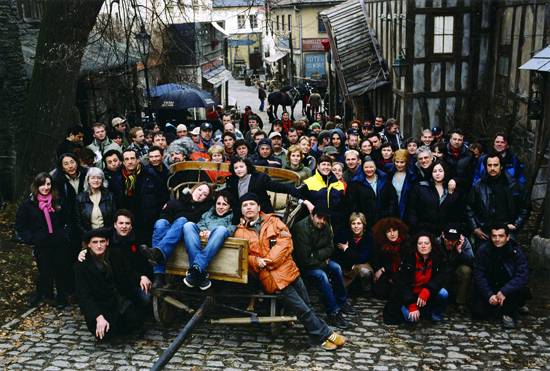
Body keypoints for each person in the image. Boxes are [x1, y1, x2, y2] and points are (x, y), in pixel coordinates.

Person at [234, 193, 345, 350]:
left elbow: (285, 243)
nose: (248, 207)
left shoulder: (274, 222)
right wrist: (256, 261)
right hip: (274, 279)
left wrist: (268, 261)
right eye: (245, 205)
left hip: (290, 270)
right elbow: (245, 257)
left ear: (259, 207)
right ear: (241, 210)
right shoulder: (240, 233)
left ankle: (317, 339)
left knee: (307, 306)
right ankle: (326, 333)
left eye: (252, 204)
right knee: (302, 309)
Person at [74, 228, 151, 339]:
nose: (99, 245)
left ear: (107, 242)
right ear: (89, 244)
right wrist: (98, 317)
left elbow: (129, 272)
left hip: (119, 299)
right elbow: (84, 296)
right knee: (103, 334)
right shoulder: (81, 266)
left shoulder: (116, 254)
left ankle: (117, 327)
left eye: (102, 242)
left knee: (137, 319)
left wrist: (141, 277)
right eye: (95, 242)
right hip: (101, 304)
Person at [291, 205, 357, 329]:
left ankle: (341, 301)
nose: (322, 221)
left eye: (325, 219)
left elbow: (330, 247)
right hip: (303, 265)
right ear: (312, 216)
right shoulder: (302, 229)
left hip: (317, 260)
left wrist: (316, 255)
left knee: (336, 267)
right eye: (319, 218)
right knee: (321, 276)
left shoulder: (324, 226)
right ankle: (333, 312)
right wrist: (321, 262)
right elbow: (304, 260)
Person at [139, 183, 215, 288]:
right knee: (161, 224)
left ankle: (158, 260)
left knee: (183, 220)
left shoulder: (205, 208)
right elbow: (165, 217)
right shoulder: (176, 202)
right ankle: (159, 274)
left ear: (206, 198)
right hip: (172, 234)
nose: (200, 194)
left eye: (204, 194)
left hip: (187, 236)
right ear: (193, 189)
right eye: (199, 189)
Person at [16, 172, 71, 309]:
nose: (45, 187)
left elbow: (69, 219)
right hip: (41, 243)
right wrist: (32, 238)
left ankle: (61, 297)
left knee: (60, 270)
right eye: (42, 185)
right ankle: (42, 293)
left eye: (48, 184)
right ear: (36, 186)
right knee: (45, 271)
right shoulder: (29, 204)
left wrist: (64, 234)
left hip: (58, 241)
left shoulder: (58, 200)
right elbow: (21, 225)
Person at [472, 224, 532, 328]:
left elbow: (522, 276)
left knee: (519, 293)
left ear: (508, 237)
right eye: (494, 236)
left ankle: (510, 312)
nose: (497, 239)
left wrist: (504, 291)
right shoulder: (482, 251)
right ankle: (495, 305)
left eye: (501, 236)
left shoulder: (516, 252)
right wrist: (489, 295)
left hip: (508, 288)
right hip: (490, 286)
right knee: (478, 313)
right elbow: (478, 275)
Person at [383, 232, 448, 326]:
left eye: (426, 243)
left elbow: (441, 277)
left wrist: (428, 289)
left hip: (426, 294)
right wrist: (411, 304)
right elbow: (401, 285)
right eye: (420, 243)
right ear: (416, 246)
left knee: (443, 293)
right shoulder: (408, 259)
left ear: (432, 245)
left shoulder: (437, 259)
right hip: (410, 295)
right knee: (411, 319)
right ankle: (414, 310)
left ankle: (435, 314)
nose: (423, 246)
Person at [466, 153, 531, 246]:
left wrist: (517, 224)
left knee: (509, 256)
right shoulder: (478, 186)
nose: (492, 168)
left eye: (495, 165)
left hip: (506, 229)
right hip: (485, 231)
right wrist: (475, 228)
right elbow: (469, 207)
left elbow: (526, 206)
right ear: (485, 166)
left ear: (501, 166)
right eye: (489, 165)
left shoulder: (514, 185)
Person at [181, 191, 238, 290]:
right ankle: (200, 272)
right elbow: (200, 223)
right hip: (202, 237)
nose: (220, 207)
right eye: (218, 203)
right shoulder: (208, 214)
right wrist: (203, 231)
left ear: (231, 207)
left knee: (222, 229)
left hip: (218, 238)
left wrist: (211, 233)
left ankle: (195, 269)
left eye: (224, 204)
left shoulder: (233, 217)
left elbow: (232, 229)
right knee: (188, 225)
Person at [109, 149, 166, 241]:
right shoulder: (116, 179)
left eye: (132, 158)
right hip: (125, 223)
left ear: (137, 160)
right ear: (123, 162)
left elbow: (162, 198)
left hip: (146, 222)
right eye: (126, 159)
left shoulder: (150, 176)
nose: (130, 162)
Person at [225, 156, 301, 223]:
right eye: (236, 168)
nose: (239, 170)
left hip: (261, 211)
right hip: (241, 212)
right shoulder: (232, 180)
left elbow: (277, 186)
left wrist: (295, 191)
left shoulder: (259, 178)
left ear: (247, 167)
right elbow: (229, 195)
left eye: (241, 167)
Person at [404, 162, 462, 236]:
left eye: (440, 171)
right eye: (434, 171)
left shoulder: (453, 190)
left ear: (445, 172)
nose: (437, 173)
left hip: (446, 233)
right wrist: (416, 226)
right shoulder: (420, 187)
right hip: (423, 231)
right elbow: (411, 209)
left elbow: (458, 213)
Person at [299, 155, 347, 238]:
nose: (326, 167)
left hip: (336, 227)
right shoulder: (309, 182)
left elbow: (344, 206)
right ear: (318, 166)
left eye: (328, 165)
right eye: (323, 164)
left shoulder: (339, 184)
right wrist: (306, 203)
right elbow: (294, 196)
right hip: (316, 226)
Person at [345, 156, 398, 231]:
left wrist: (389, 214)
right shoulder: (355, 183)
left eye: (371, 167)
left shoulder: (384, 180)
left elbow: (393, 198)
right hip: (365, 222)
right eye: (366, 167)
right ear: (362, 168)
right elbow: (350, 203)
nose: (369, 169)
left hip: (383, 220)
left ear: (375, 167)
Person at [333, 212, 374, 297]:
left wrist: (346, 249)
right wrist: (351, 262)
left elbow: (363, 257)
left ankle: (366, 288)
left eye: (359, 223)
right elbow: (338, 255)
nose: (356, 226)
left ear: (363, 225)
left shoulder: (368, 236)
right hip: (347, 266)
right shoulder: (345, 234)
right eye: (353, 223)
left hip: (361, 264)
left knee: (365, 272)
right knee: (341, 294)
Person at [438, 223, 474, 314]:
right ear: (443, 235)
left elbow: (472, 261)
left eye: (454, 240)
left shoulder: (464, 242)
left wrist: (460, 251)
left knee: (466, 270)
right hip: (442, 271)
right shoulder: (437, 242)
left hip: (456, 269)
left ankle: (461, 302)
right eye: (448, 239)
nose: (450, 243)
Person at [370, 217, 409, 299]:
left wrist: (385, 269)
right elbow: (375, 260)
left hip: (401, 273)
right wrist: (385, 273)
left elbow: (406, 263)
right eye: (388, 231)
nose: (392, 234)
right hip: (387, 274)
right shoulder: (380, 243)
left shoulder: (405, 242)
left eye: (394, 230)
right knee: (380, 293)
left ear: (399, 230)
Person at [75, 167, 116, 236]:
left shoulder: (109, 196)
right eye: (93, 178)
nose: (96, 180)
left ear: (102, 180)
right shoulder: (80, 198)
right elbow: (78, 221)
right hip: (88, 236)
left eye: (99, 178)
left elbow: (114, 217)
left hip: (107, 235)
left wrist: (108, 233)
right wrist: (88, 235)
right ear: (88, 180)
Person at [387, 150, 416, 219]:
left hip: (405, 212)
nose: (399, 165)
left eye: (402, 162)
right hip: (391, 210)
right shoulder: (390, 173)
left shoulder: (411, 177)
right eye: (397, 162)